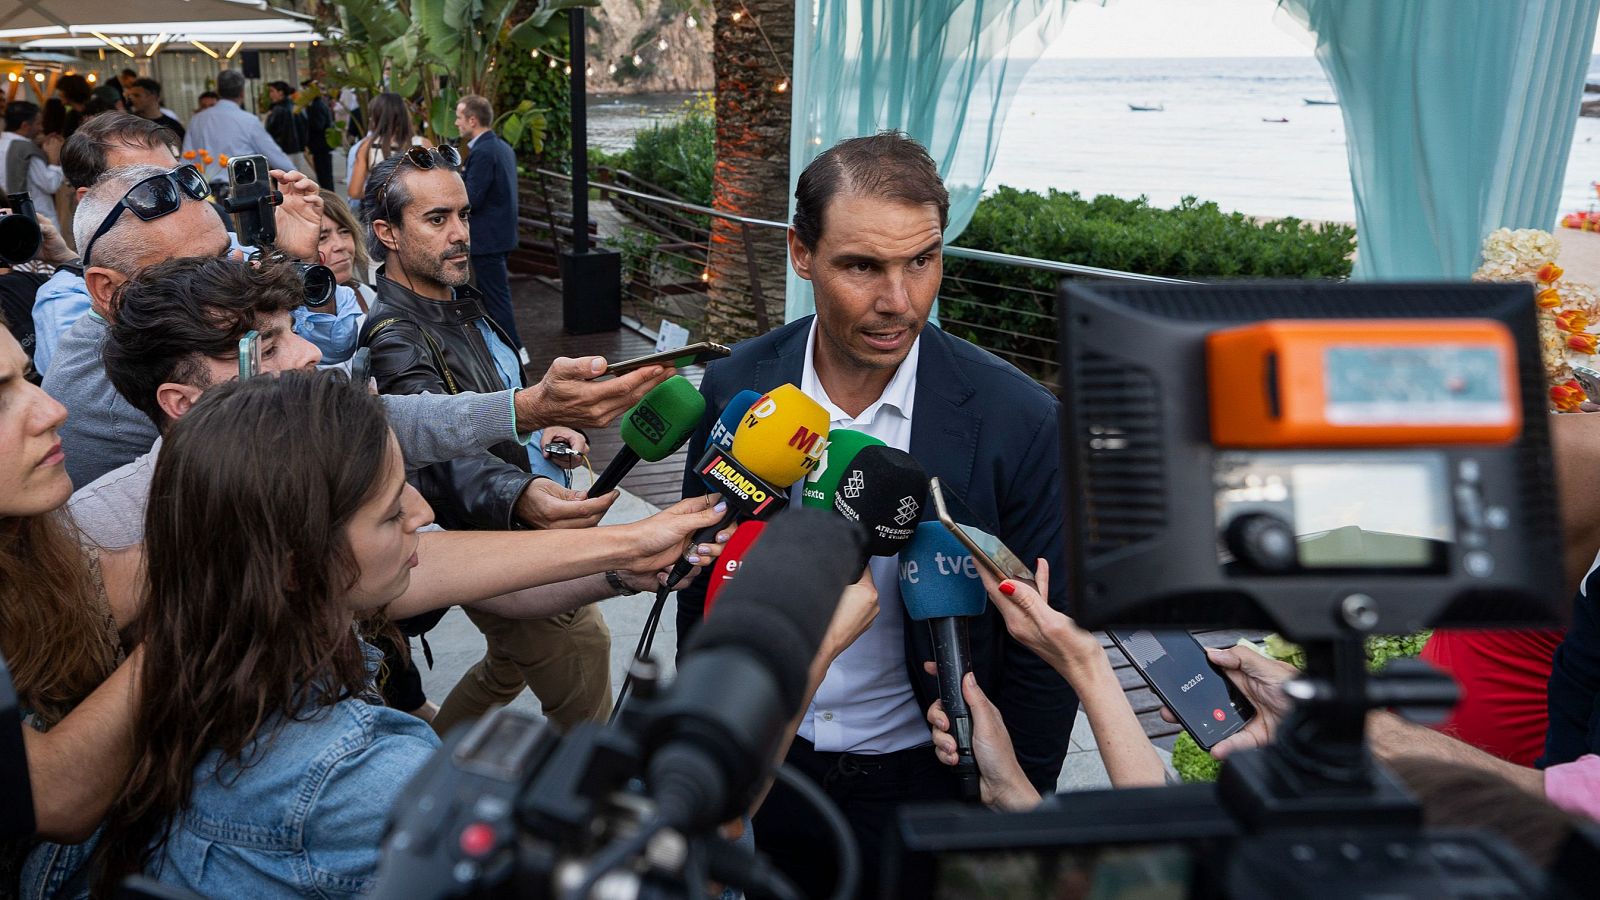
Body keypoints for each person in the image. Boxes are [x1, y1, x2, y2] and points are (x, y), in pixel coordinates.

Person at [675, 131, 1078, 897]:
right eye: (863, 266)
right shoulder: (736, 381)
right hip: (768, 765)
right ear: (802, 253)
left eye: (922, 261)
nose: (900, 301)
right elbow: (702, 578)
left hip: (926, 784)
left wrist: (1010, 808)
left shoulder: (1017, 421)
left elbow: (1043, 647)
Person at [360, 150, 621, 736]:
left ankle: (428, 759)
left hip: (505, 522)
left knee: (506, 668)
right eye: (436, 219)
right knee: (586, 670)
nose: (460, 235)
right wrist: (522, 492)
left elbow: (491, 406)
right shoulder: (395, 336)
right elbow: (435, 448)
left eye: (464, 215)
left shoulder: (456, 304)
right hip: (492, 537)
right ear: (387, 234)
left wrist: (540, 427)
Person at [31, 112, 182, 374]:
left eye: (180, 177)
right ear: (91, 199)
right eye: (147, 186)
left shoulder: (214, 242)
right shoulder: (65, 301)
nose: (181, 195)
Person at [455, 94, 523, 354]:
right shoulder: (502, 147)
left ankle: (515, 350)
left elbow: (472, 198)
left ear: (472, 120)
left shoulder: (483, 151)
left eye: (460, 117)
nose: (456, 123)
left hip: (489, 238)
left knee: (496, 298)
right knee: (493, 296)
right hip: (501, 235)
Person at [183, 69, 293, 184]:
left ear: (218, 91)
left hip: (205, 191)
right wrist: (298, 176)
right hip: (241, 191)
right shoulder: (249, 121)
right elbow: (275, 156)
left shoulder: (196, 120)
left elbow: (186, 159)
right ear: (242, 92)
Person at [347, 92, 424, 207]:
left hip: (381, 213)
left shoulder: (367, 146)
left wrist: (381, 194)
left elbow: (354, 192)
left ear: (376, 117)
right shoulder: (422, 145)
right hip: (413, 211)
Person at [0, 101, 64, 228]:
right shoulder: (26, 149)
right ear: (25, 125)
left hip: (9, 215)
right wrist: (53, 160)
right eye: (38, 123)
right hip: (38, 215)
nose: (41, 128)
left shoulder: (3, 144)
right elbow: (50, 185)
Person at [319, 189, 375, 310]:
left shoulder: (365, 295)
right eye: (322, 238)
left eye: (345, 231)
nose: (340, 245)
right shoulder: (288, 316)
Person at [265, 80, 309, 176]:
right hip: (297, 150)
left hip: (282, 150)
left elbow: (269, 132)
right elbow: (305, 127)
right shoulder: (295, 107)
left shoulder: (277, 110)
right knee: (294, 179)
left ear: (280, 92)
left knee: (283, 182)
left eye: (272, 91)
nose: (270, 94)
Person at [121, 78, 186, 142]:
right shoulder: (129, 124)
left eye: (137, 95)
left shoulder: (173, 126)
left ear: (153, 97)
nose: (132, 99)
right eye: (131, 96)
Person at [302, 79, 336, 189]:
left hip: (321, 146)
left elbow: (318, 125)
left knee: (324, 176)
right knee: (323, 175)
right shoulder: (316, 104)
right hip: (320, 146)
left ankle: (330, 200)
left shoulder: (317, 106)